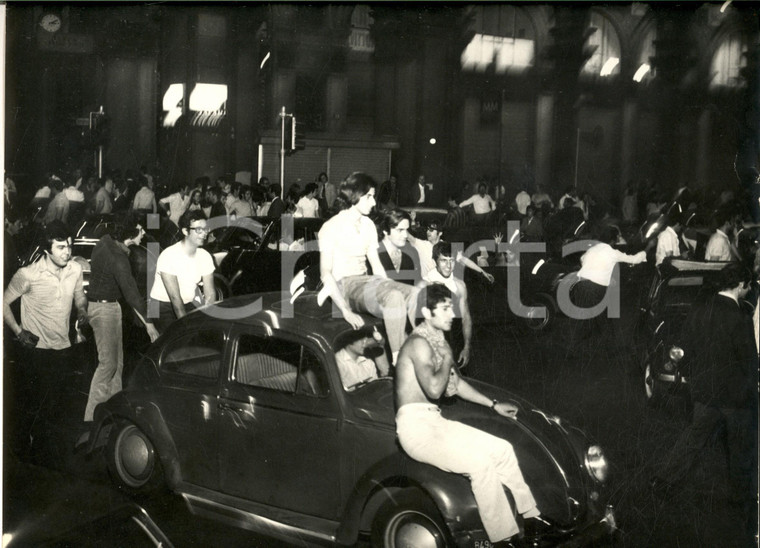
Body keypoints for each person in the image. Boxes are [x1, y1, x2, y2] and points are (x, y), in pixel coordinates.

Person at [395, 283, 550, 546]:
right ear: (426, 312)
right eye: (444, 309)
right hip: (415, 429)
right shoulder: (418, 344)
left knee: (503, 449)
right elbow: (434, 389)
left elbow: (457, 383)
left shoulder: (437, 341)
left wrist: (493, 404)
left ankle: (533, 517)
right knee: (480, 465)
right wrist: (445, 359)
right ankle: (503, 539)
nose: (452, 315)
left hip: (434, 420)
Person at [650, 264, 758, 544]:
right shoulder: (741, 316)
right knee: (740, 447)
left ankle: (663, 480)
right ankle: (741, 501)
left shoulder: (701, 309)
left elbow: (685, 347)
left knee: (693, 438)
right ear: (741, 284)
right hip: (735, 398)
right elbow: (748, 361)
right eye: (749, 284)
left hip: (705, 393)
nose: (750, 289)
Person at [3, 220, 88, 454]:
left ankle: (46, 450)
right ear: (46, 250)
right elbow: (3, 303)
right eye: (61, 247)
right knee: (34, 404)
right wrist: (19, 333)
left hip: (64, 347)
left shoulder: (75, 269)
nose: (68, 251)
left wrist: (81, 311)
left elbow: (80, 295)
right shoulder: (28, 275)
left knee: (57, 404)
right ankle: (26, 454)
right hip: (36, 351)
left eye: (69, 245)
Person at [317, 172, 417, 363]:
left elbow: (376, 266)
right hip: (345, 285)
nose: (373, 202)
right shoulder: (331, 227)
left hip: (367, 282)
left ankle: (416, 346)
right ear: (355, 195)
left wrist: (388, 285)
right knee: (395, 297)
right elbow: (325, 274)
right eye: (369, 196)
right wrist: (346, 310)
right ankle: (399, 358)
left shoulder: (369, 225)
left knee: (413, 293)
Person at [83, 218, 159, 427]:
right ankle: (91, 418)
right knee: (108, 364)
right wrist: (149, 324)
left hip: (108, 306)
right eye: (140, 230)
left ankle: (114, 411)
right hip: (104, 309)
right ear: (130, 234)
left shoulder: (105, 241)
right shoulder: (118, 258)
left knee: (118, 363)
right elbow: (133, 296)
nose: (143, 233)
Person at [149, 209, 216, 333]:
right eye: (198, 230)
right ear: (185, 231)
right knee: (177, 340)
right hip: (162, 306)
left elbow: (210, 294)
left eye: (206, 229)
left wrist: (208, 321)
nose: (204, 234)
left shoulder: (205, 256)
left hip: (187, 302)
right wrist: (186, 330)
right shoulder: (169, 255)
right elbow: (175, 299)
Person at [423, 241, 474, 367]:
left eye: (451, 260)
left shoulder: (460, 285)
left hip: (454, 344)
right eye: (443, 260)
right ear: (435, 261)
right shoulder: (426, 284)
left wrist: (467, 347)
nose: (448, 265)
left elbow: (466, 318)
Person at [376, 208, 421, 286]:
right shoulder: (373, 254)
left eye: (406, 230)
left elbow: (417, 282)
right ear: (385, 231)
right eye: (400, 230)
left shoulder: (412, 252)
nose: (406, 235)